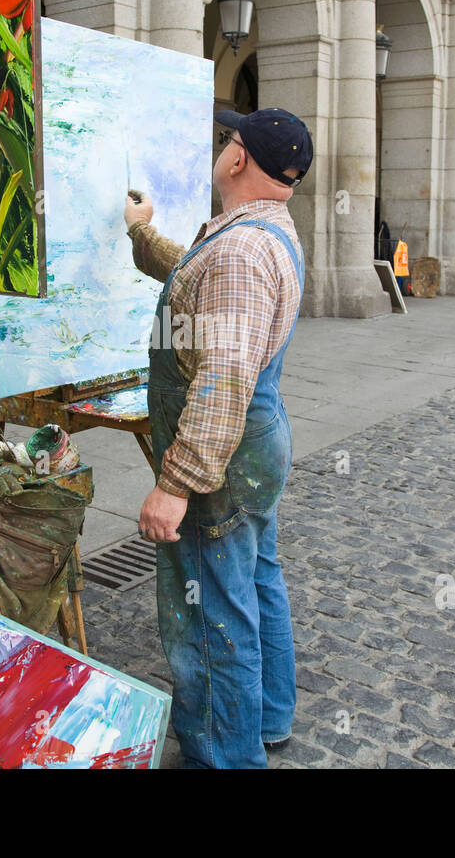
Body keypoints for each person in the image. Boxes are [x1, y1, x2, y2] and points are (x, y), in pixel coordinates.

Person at [123, 107, 311, 768]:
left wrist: (176, 485)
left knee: (210, 615)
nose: (223, 147)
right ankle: (269, 718)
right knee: (255, 579)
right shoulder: (262, 233)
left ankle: (225, 756)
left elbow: (224, 376)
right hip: (256, 446)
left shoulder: (238, 251)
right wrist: (145, 238)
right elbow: (196, 282)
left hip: (224, 456)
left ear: (238, 159)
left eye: (230, 139)